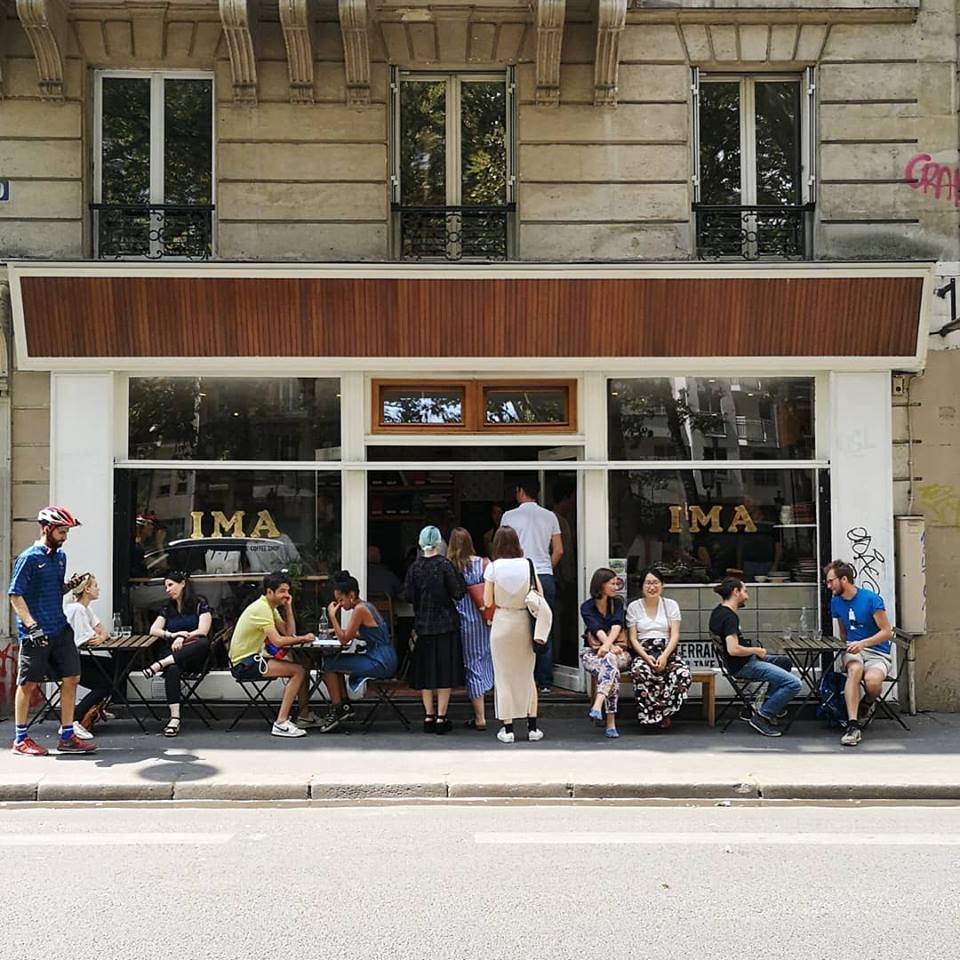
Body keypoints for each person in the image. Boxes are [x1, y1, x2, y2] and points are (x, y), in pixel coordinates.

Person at [8, 506, 96, 756]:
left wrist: (69, 586)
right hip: (36, 633)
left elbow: (55, 590)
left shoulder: (60, 557)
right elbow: (15, 595)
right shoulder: (29, 558)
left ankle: (67, 735)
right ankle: (20, 739)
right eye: (61, 531)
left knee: (71, 678)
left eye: (67, 531)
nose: (65, 536)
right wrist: (31, 625)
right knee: (28, 683)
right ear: (46, 528)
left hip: (60, 628)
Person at [709, 577, 801, 738]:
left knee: (784, 662)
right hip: (744, 666)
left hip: (739, 662)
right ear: (735, 592)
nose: (747, 596)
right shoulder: (729, 617)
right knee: (794, 683)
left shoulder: (717, 611)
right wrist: (756, 650)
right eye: (745, 591)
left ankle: (766, 706)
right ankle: (762, 716)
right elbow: (733, 650)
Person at [227, 572, 315, 738]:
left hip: (253, 659)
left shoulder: (269, 607)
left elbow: (289, 633)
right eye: (282, 591)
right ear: (269, 592)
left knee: (303, 665)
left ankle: (304, 716)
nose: (287, 595)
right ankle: (281, 723)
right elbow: (279, 641)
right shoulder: (262, 609)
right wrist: (304, 638)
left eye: (288, 591)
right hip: (244, 664)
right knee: (298, 671)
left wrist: (288, 608)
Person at [315, 570, 400, 733]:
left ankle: (338, 709)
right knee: (334, 663)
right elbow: (365, 634)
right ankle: (344, 706)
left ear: (351, 595)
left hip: (379, 661)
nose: (339, 604)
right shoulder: (366, 606)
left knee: (328, 664)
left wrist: (333, 616)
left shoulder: (359, 610)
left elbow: (344, 640)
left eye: (341, 600)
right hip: (385, 656)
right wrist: (340, 630)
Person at [483, 525, 545, 744]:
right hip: (524, 623)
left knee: (504, 676)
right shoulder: (528, 564)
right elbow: (539, 595)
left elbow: (487, 601)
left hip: (502, 622)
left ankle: (508, 729)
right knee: (527, 675)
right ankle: (533, 728)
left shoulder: (493, 567)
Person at [500, 476, 563, 693]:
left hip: (517, 576)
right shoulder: (550, 516)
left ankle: (523, 679)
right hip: (544, 575)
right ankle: (545, 681)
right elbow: (559, 549)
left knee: (518, 628)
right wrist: (544, 567)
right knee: (543, 626)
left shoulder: (509, 516)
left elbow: (503, 548)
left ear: (519, 491)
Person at [825, 559, 894, 747]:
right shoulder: (836, 601)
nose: (828, 585)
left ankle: (867, 703)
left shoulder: (871, 599)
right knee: (855, 670)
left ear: (844, 579)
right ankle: (853, 725)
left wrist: (863, 643)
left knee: (872, 684)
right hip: (852, 649)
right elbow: (843, 633)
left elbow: (887, 632)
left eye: (831, 581)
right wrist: (843, 653)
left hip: (877, 651)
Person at [404, 526, 466, 734]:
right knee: (444, 673)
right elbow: (458, 593)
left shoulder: (414, 568)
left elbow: (408, 596)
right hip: (446, 626)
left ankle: (428, 715)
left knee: (426, 673)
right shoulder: (445, 565)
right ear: (440, 543)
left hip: (423, 626)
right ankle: (441, 717)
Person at [141, 572, 213, 737]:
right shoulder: (167, 608)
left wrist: (182, 636)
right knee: (173, 669)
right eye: (165, 586)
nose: (167, 590)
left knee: (203, 642)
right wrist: (171, 635)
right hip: (173, 652)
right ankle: (174, 718)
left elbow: (203, 631)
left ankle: (160, 664)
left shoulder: (199, 605)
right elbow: (153, 630)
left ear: (183, 584)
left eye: (170, 585)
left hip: (193, 654)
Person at [626, 566, 692, 729]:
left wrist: (664, 656)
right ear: (641, 586)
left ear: (662, 585)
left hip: (667, 651)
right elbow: (633, 638)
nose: (652, 587)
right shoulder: (634, 606)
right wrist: (646, 657)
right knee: (639, 672)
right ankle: (651, 715)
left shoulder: (671, 605)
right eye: (648, 583)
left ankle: (664, 712)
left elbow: (675, 635)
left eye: (656, 583)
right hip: (643, 652)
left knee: (682, 674)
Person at [448, 527, 494, 730]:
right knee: (485, 659)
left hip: (460, 621)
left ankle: (480, 716)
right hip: (483, 620)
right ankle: (488, 709)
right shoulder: (484, 564)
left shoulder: (450, 566)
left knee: (471, 666)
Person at [580, 568, 630, 739]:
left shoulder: (617, 603)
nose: (616, 587)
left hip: (619, 652)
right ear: (601, 585)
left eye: (617, 583)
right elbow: (595, 628)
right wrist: (608, 647)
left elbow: (617, 625)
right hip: (593, 653)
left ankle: (598, 704)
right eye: (612, 583)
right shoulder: (587, 607)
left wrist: (607, 646)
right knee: (611, 669)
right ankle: (611, 722)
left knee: (609, 661)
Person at [64, 573, 113, 738]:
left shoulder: (85, 607)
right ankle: (73, 720)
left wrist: (100, 636)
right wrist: (99, 636)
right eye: (95, 585)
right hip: (66, 660)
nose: (98, 589)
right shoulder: (77, 609)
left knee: (112, 666)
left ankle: (97, 706)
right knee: (105, 684)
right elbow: (87, 640)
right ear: (87, 589)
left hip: (74, 656)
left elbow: (102, 632)